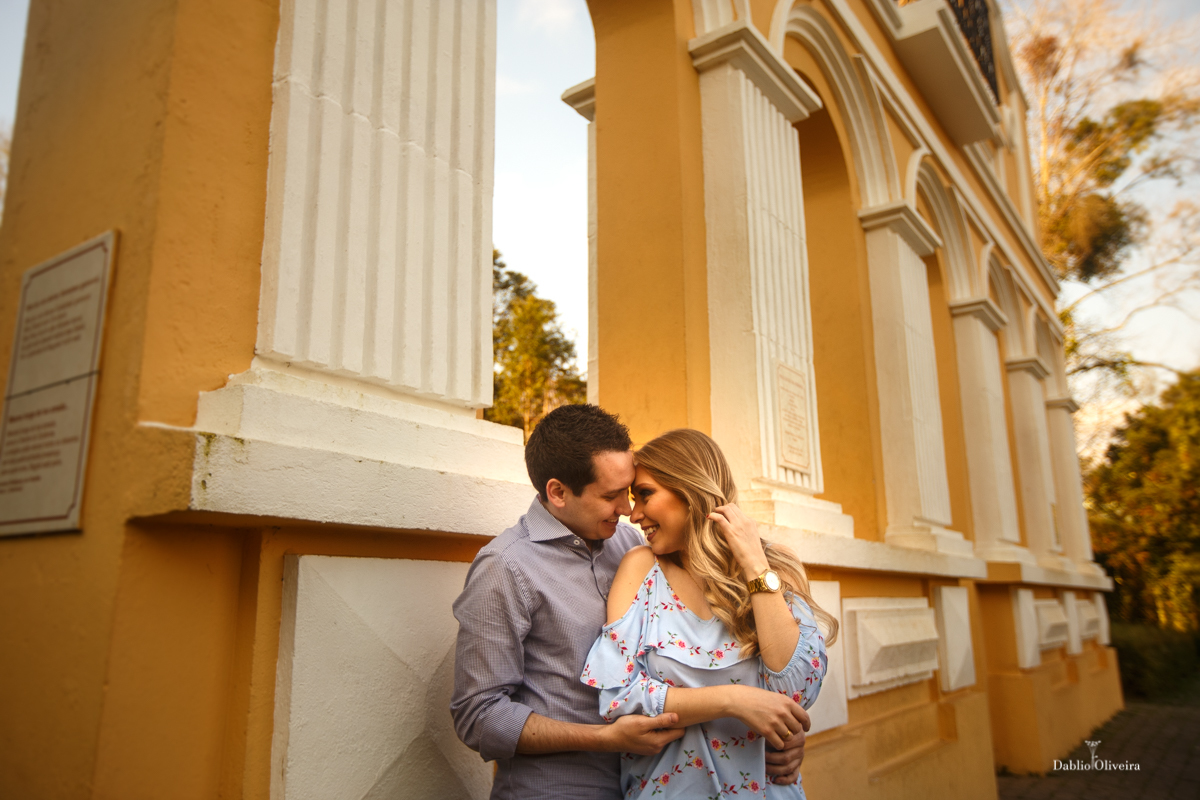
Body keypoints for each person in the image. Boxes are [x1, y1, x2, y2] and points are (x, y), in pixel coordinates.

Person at [450, 405, 812, 800]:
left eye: (631, 493)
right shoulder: (505, 567)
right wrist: (604, 738)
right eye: (612, 496)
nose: (627, 510)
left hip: (640, 783)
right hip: (558, 790)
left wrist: (779, 733)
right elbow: (478, 716)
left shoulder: (629, 545)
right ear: (557, 492)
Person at [581, 428, 837, 799]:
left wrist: (752, 563)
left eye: (646, 495)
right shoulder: (641, 569)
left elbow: (794, 692)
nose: (634, 515)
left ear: (691, 491)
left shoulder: (769, 570)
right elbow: (619, 696)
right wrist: (734, 700)